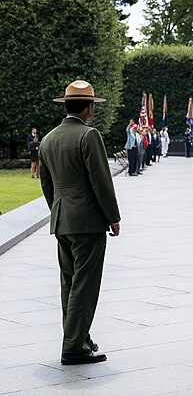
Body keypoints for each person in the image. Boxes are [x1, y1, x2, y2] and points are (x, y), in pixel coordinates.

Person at [38, 80, 121, 365]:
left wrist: (59, 211)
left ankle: (79, 336)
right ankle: (73, 346)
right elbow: (101, 180)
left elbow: (46, 185)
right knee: (85, 285)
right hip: (87, 221)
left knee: (69, 283)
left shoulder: (48, 139)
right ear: (88, 108)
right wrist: (113, 217)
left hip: (62, 219)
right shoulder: (89, 135)